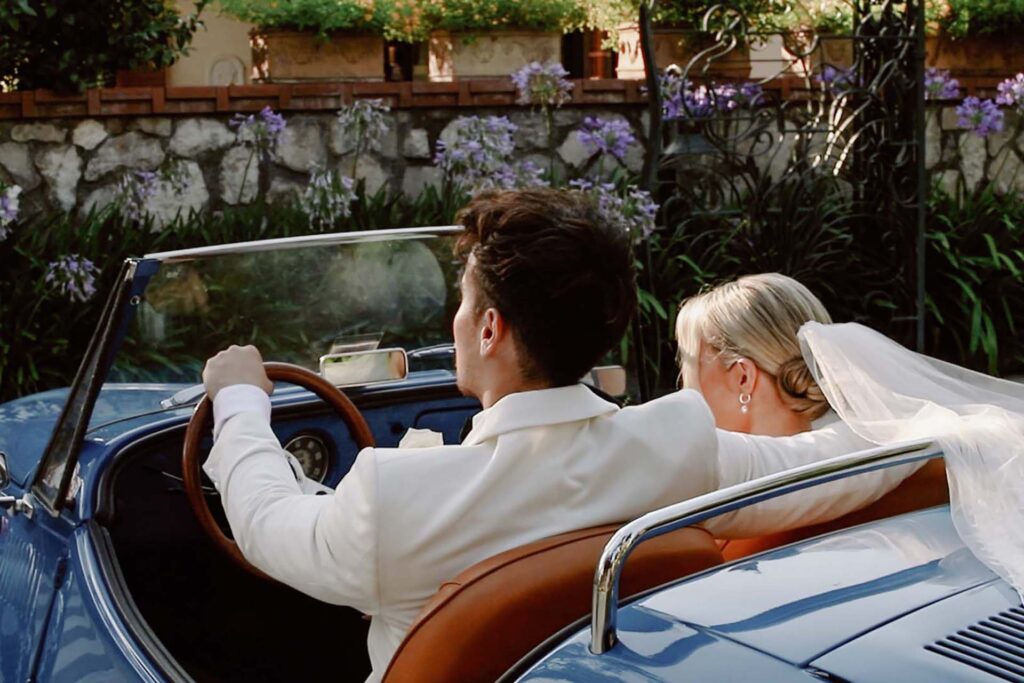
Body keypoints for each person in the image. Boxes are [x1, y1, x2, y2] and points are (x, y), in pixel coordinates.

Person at [201, 189, 910, 682]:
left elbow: (267, 519)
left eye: (463, 305)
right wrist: (941, 422)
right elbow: (828, 467)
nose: (456, 322)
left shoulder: (391, 495)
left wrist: (237, 399)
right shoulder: (677, 441)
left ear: (488, 328)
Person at [676, 272, 1024, 599]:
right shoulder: (891, 460)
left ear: (742, 379)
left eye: (689, 365)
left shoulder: (745, 501)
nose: (684, 385)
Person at [675, 272, 833, 435]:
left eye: (694, 367)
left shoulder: (698, 458)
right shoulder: (851, 445)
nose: (686, 390)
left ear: (743, 378)